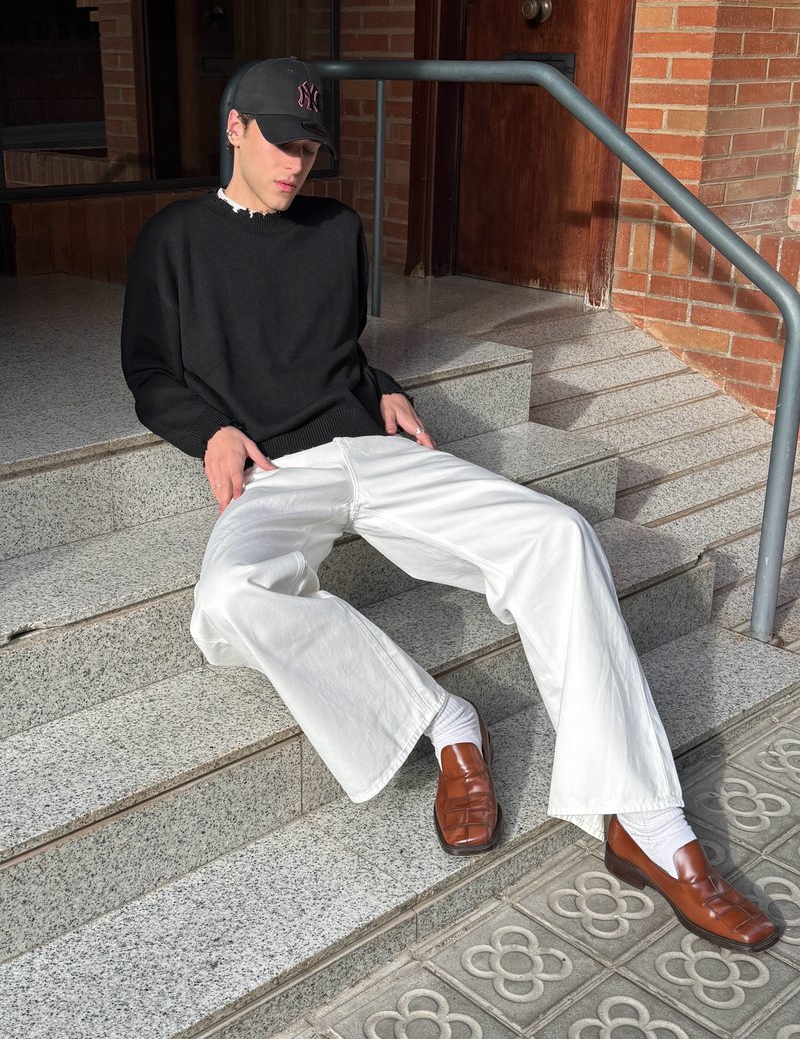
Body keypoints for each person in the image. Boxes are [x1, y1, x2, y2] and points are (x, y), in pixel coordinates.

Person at [121, 57, 778, 954]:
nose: (295, 165)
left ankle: (648, 822)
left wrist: (383, 386)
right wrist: (210, 431)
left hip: (373, 450)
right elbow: (148, 370)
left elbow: (334, 353)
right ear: (234, 128)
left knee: (557, 533)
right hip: (274, 471)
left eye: (310, 149)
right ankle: (442, 719)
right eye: (280, 143)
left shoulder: (336, 230)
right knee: (230, 598)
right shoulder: (172, 239)